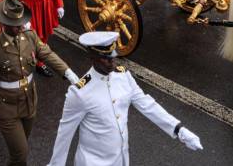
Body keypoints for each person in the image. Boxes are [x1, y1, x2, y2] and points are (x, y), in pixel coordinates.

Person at [47, 31, 203, 165]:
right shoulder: (80, 92)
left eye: (113, 56)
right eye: (106, 58)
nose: (112, 62)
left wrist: (179, 129)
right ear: (92, 56)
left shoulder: (123, 76)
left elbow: (147, 104)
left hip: (120, 159)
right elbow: (64, 134)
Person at [0, 0, 78, 166]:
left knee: (19, 152)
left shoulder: (29, 36)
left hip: (29, 102)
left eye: (21, 22)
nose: (21, 26)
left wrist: (68, 73)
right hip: (6, 108)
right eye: (16, 24)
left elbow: (47, 54)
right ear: (4, 24)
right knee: (21, 153)